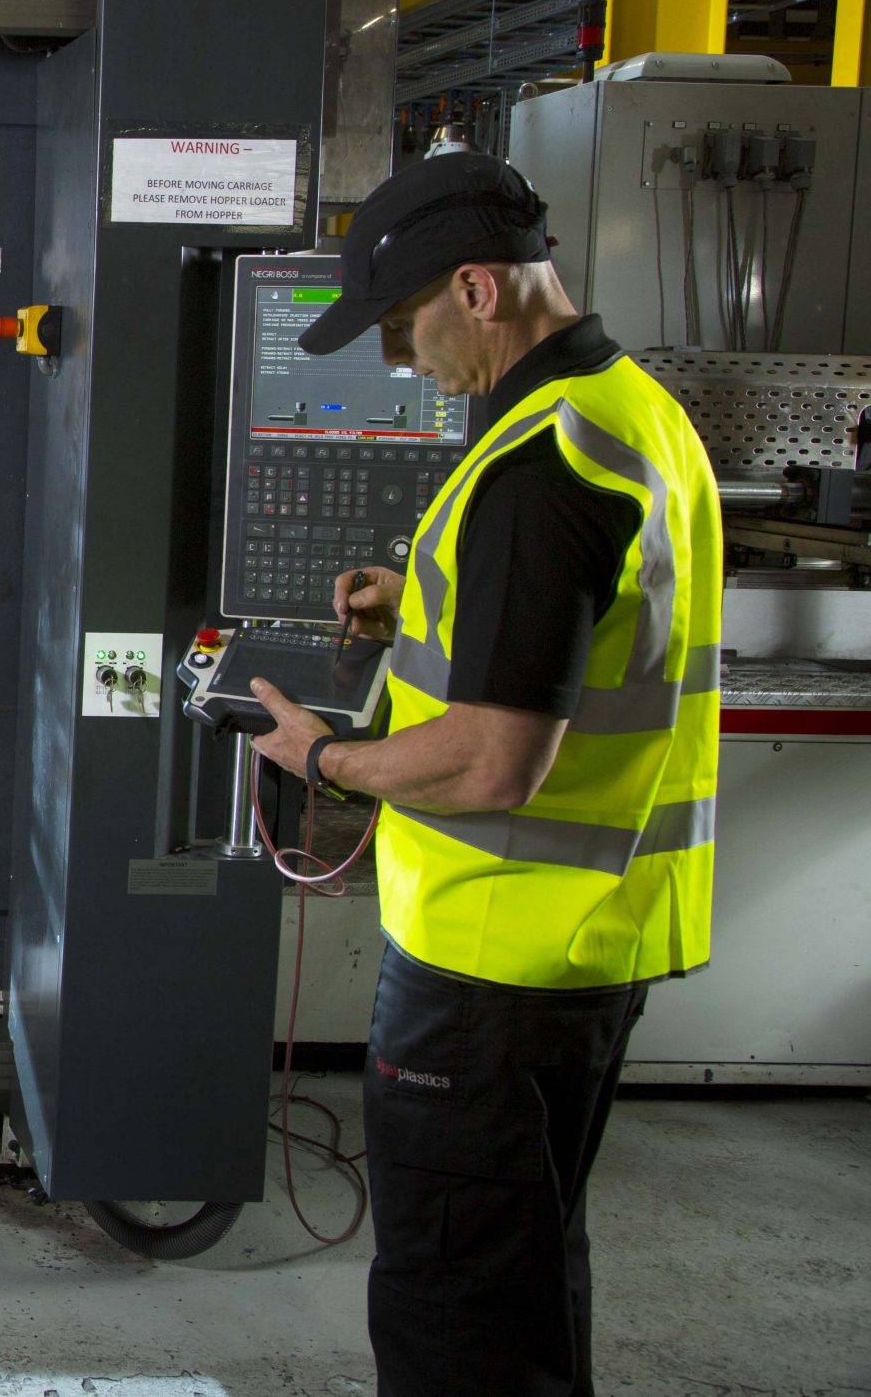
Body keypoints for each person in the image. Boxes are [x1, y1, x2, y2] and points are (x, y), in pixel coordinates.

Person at [245, 152, 721, 1397]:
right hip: (590, 942)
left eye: (404, 327)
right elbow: (587, 626)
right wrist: (422, 605)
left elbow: (493, 760)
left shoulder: (536, 463)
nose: (402, 361)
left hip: (495, 965)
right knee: (521, 1277)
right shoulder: (631, 411)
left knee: (454, 1310)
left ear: (476, 290)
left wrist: (321, 754)